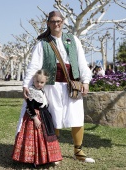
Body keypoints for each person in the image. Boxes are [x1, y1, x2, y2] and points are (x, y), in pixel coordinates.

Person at [21, 11, 95, 163]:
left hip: (72, 85)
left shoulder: (73, 40)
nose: (56, 24)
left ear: (63, 22)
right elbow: (33, 65)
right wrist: (26, 84)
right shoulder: (42, 44)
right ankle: (53, 152)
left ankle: (78, 151)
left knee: (77, 117)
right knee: (53, 118)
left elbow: (82, 62)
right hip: (51, 86)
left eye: (59, 21)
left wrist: (86, 81)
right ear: (48, 23)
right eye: (53, 21)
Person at [12, 69, 62, 167]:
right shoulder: (32, 91)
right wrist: (35, 118)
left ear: (45, 82)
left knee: (46, 138)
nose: (39, 84)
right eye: (37, 82)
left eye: (42, 82)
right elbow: (29, 106)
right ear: (33, 80)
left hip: (44, 117)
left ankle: (50, 157)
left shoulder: (42, 91)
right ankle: (34, 159)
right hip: (34, 117)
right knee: (35, 138)